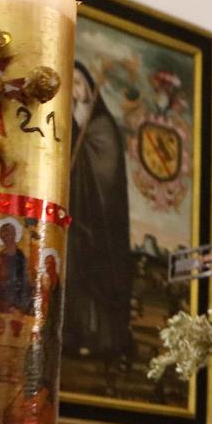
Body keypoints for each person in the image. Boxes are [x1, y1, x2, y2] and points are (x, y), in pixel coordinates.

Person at [62, 60, 135, 365]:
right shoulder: (69, 120)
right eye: (71, 84)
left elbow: (108, 171)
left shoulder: (102, 125)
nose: (76, 89)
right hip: (76, 212)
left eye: (80, 82)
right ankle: (74, 336)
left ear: (91, 86)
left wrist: (84, 161)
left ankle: (102, 340)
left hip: (99, 218)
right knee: (74, 272)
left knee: (96, 273)